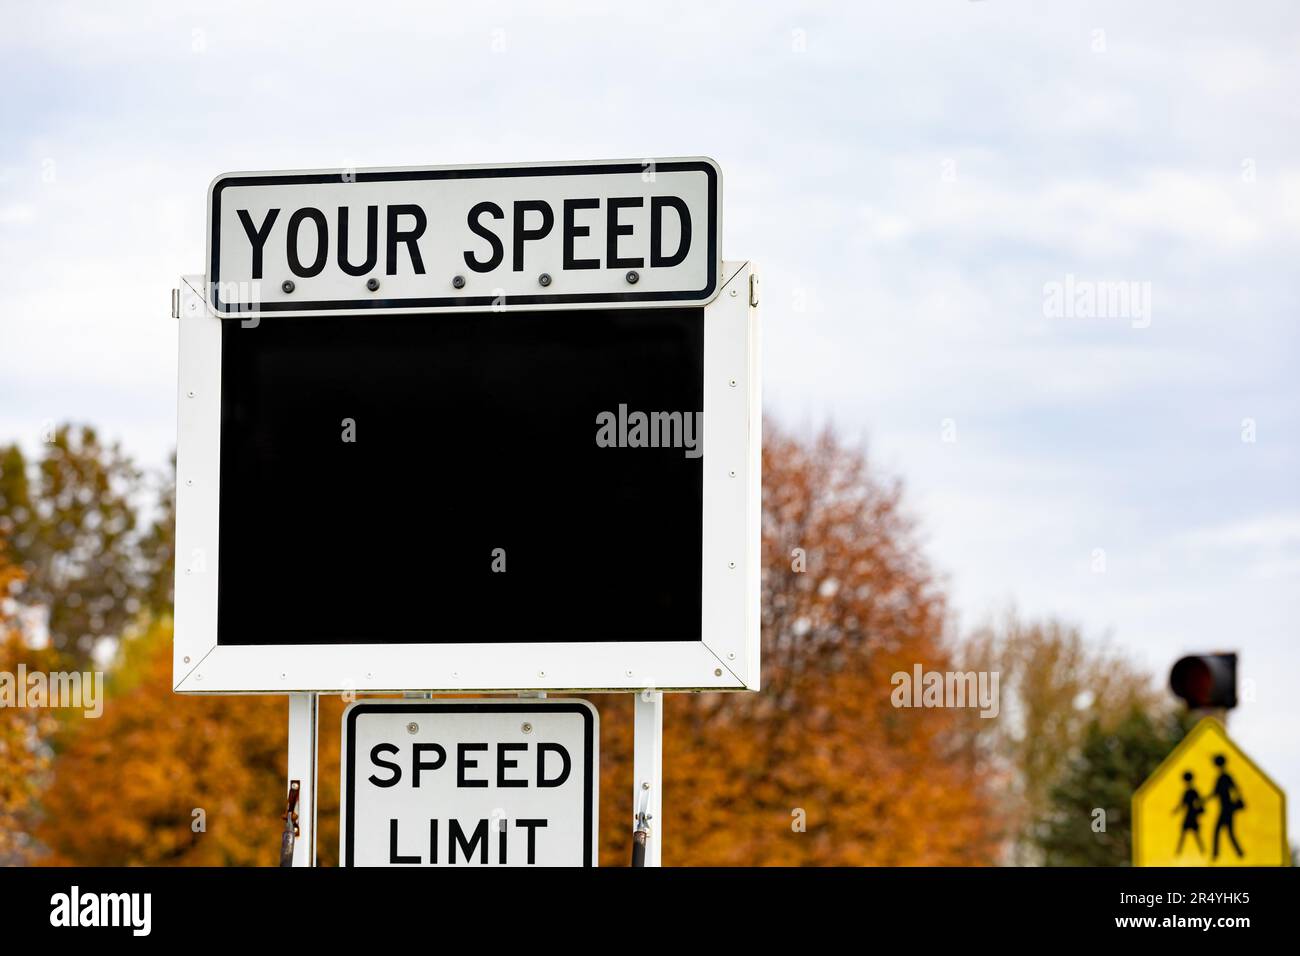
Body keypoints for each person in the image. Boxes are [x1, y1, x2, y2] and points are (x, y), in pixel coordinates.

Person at [1209, 753, 1245, 860]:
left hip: (1227, 808)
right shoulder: (1221, 777)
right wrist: (1203, 800)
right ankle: (1239, 853)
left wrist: (1238, 800)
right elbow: (1215, 793)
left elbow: (1236, 788)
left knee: (1220, 831)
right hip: (1225, 808)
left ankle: (1216, 855)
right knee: (1227, 832)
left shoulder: (1225, 776)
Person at [1173, 770, 1204, 855]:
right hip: (1190, 814)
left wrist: (1176, 810)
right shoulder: (1189, 791)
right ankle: (1179, 852)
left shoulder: (1191, 791)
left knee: (1189, 834)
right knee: (1190, 834)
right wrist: (1176, 810)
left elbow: (1184, 803)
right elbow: (1182, 804)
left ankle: (1179, 852)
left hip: (1191, 815)